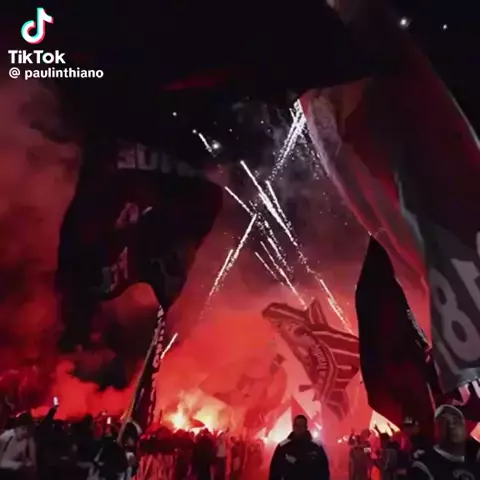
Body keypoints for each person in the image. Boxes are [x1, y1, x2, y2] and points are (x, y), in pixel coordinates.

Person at [409, 405, 480, 480]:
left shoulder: (474, 459)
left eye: (455, 421)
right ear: (437, 430)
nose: (451, 426)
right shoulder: (425, 463)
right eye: (445, 422)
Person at [269, 414, 330, 480]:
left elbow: (324, 471)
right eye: (297, 426)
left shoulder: (316, 446)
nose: (299, 428)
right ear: (293, 426)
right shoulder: (283, 447)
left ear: (306, 427)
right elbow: (275, 472)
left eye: (301, 426)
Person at [0, 411, 36, 479]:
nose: (27, 432)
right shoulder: (6, 437)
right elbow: (2, 462)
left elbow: (24, 458)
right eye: (25, 428)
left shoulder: (24, 439)